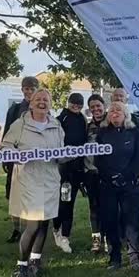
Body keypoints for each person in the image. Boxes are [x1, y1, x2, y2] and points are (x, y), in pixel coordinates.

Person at [1, 88, 64, 277]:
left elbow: (61, 150)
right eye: (38, 99)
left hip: (50, 179)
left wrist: (64, 156)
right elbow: (5, 146)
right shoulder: (20, 124)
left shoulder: (56, 125)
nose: (42, 102)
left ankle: (35, 261)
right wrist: (18, 156)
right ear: (31, 103)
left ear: (50, 104)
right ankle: (21, 267)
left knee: (44, 221)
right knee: (34, 223)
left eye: (46, 99)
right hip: (28, 180)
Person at [96, 101, 139, 270]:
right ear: (108, 115)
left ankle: (135, 257)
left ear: (125, 114)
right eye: (111, 110)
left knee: (131, 221)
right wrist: (111, 176)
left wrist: (125, 176)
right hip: (107, 184)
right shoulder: (102, 133)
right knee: (110, 221)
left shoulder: (134, 132)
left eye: (119, 110)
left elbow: (138, 157)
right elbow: (98, 160)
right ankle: (114, 258)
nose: (115, 113)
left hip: (129, 183)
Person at [3, 76, 39, 242]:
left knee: (32, 194)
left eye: (32, 89)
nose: (29, 91)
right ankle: (16, 229)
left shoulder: (42, 108)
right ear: (22, 89)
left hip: (34, 159)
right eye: (27, 88)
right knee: (13, 194)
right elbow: (7, 133)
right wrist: (6, 157)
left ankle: (31, 229)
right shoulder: (15, 109)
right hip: (16, 158)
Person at [52, 92, 88, 253]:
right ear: (68, 103)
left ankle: (65, 235)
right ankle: (57, 230)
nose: (76, 106)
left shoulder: (82, 120)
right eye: (74, 103)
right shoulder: (60, 120)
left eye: (79, 104)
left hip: (78, 168)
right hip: (64, 169)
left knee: (70, 202)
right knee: (63, 201)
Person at [84, 93, 107, 253]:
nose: (96, 109)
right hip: (91, 172)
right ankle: (96, 238)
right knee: (94, 207)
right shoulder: (87, 127)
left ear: (103, 106)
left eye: (98, 105)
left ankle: (108, 238)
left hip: (107, 172)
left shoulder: (111, 122)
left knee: (108, 206)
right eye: (92, 107)